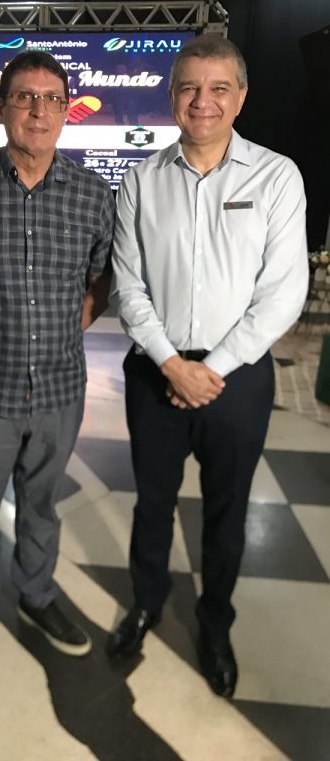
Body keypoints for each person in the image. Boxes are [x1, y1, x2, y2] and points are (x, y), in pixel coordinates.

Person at [107, 35, 309, 698]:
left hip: (237, 377)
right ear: (171, 96)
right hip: (155, 373)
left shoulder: (276, 177)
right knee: (152, 505)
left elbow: (283, 294)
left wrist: (209, 367)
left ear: (240, 97)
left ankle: (215, 624)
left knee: (227, 512)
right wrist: (171, 363)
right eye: (189, 87)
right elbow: (127, 286)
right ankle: (146, 604)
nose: (203, 101)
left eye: (219, 88)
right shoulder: (141, 179)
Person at [0, 50, 115, 684]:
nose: (39, 110)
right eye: (24, 97)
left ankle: (36, 596)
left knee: (42, 507)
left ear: (67, 111)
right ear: (0, 107)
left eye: (52, 99)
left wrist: (66, 327)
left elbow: (100, 279)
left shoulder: (92, 194)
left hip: (60, 390)